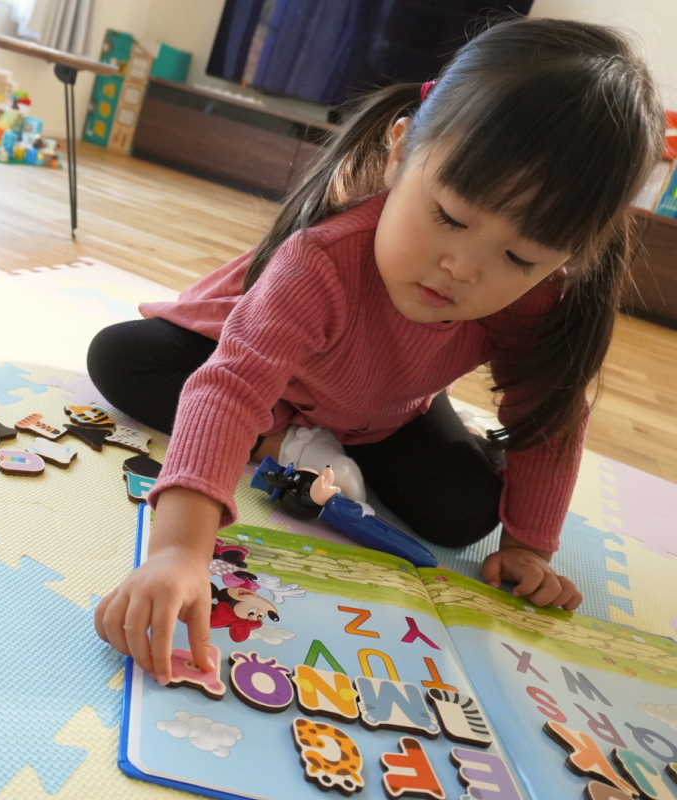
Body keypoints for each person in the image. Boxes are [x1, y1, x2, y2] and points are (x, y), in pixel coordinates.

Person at [88, 17, 664, 684]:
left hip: (383, 405)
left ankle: (300, 438)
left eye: (519, 257)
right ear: (399, 151)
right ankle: (282, 436)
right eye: (450, 216)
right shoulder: (320, 259)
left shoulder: (539, 302)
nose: (461, 269)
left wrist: (529, 548)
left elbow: (550, 416)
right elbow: (230, 386)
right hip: (251, 361)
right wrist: (178, 552)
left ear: (568, 257)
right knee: (123, 358)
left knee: (464, 515)